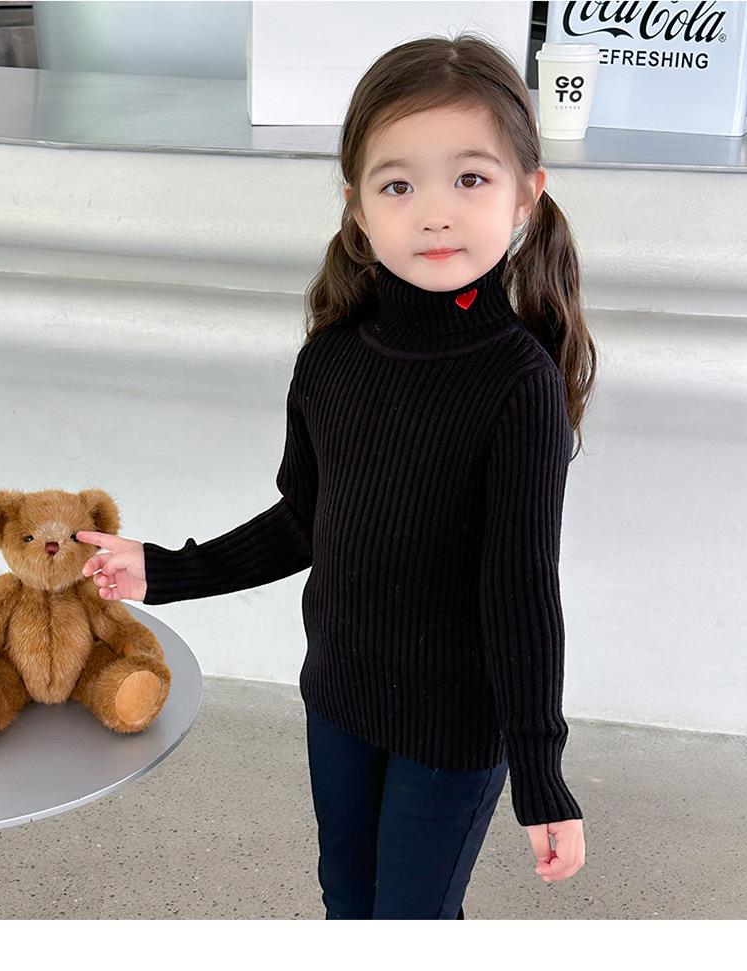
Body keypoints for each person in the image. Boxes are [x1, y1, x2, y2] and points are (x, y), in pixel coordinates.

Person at [77, 33, 597, 920]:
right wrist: (164, 569)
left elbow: (519, 591)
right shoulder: (331, 359)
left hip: (453, 729)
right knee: (346, 900)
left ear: (526, 195)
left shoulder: (520, 385)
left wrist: (540, 770)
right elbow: (305, 520)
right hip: (340, 700)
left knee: (409, 921)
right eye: (398, 185)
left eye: (470, 178)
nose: (435, 213)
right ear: (357, 207)